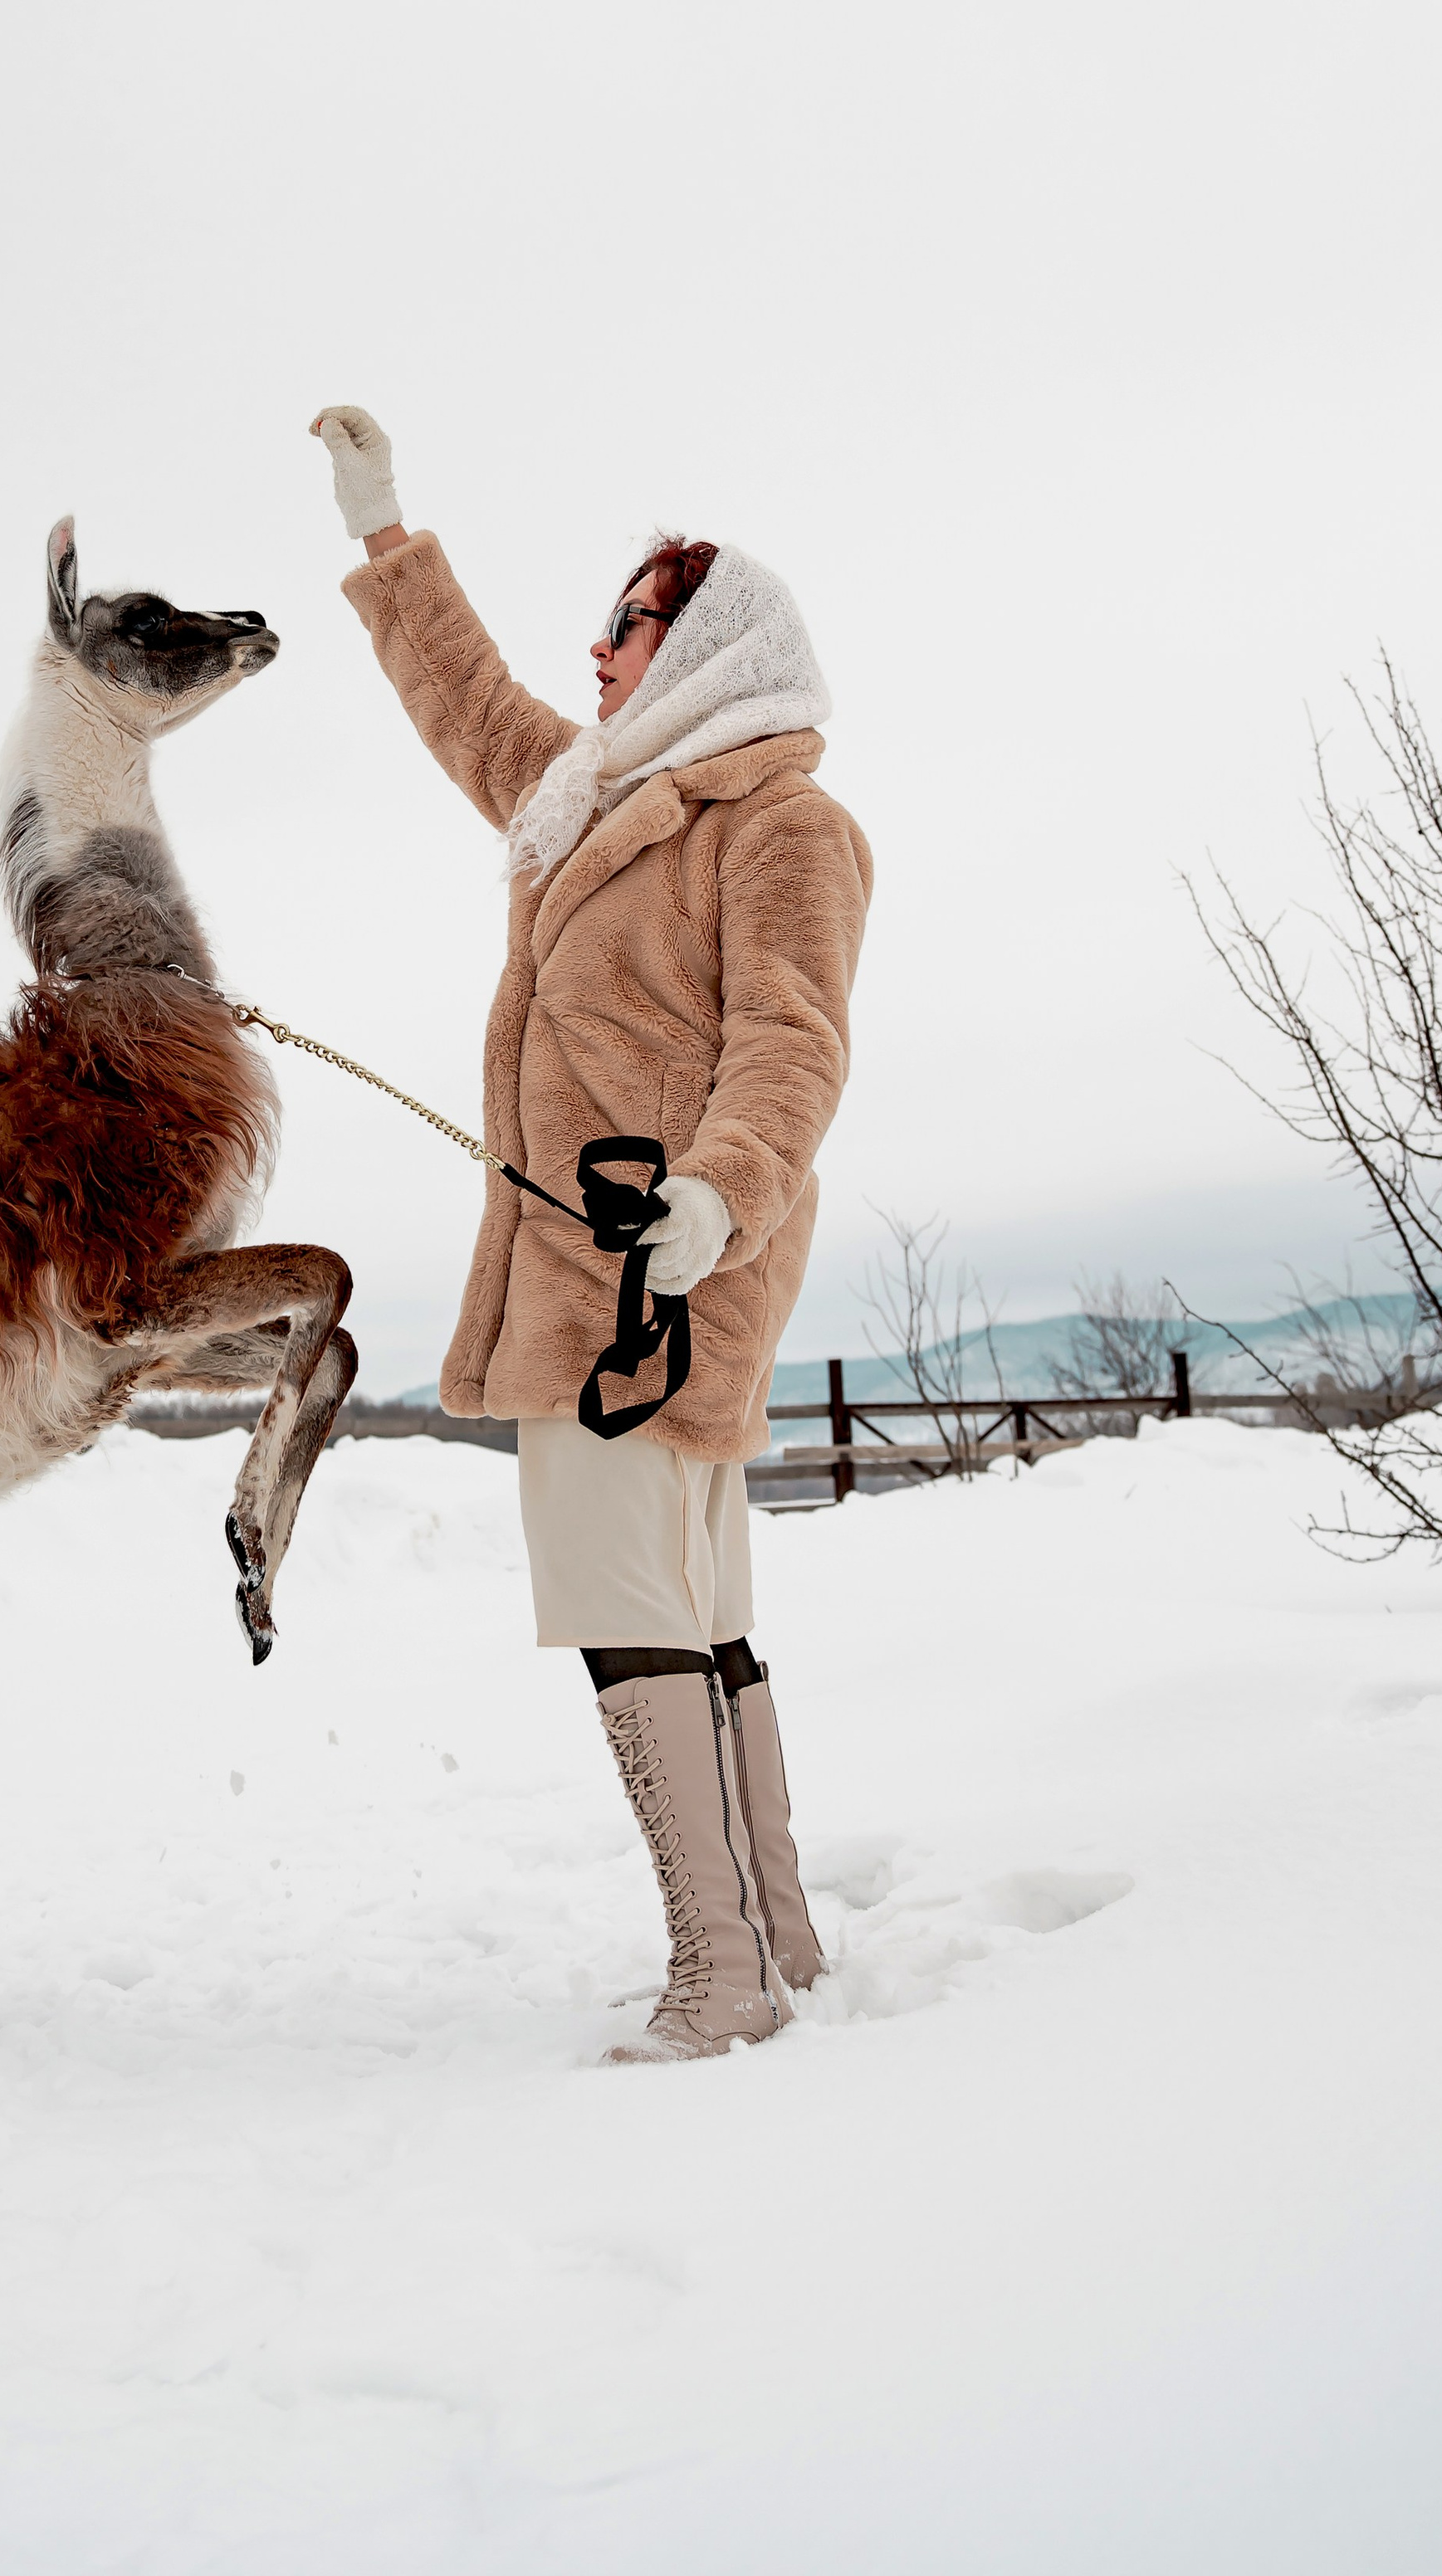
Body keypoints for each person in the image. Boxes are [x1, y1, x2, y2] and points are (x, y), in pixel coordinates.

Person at [309, 402, 873, 2062]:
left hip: (654, 1277)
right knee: (692, 1601)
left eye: (627, 621)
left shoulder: (780, 826)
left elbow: (791, 1044)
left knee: (627, 1603)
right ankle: (773, 1932)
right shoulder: (589, 797)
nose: (598, 648)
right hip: (603, 1265)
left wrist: (713, 1200)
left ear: (708, 642)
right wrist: (384, 535)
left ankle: (716, 1978)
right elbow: (478, 712)